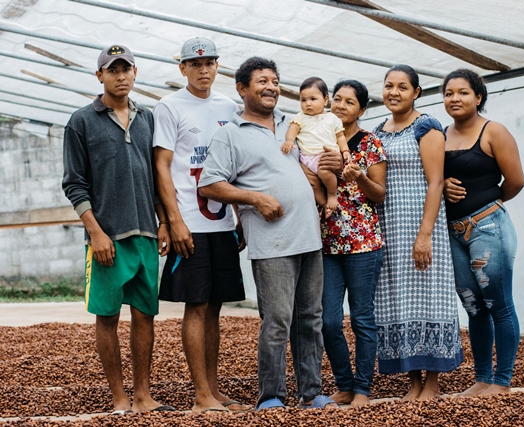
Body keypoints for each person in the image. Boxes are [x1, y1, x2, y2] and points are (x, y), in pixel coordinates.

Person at [197, 57, 342, 410]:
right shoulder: (231, 134)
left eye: (275, 81)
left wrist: (334, 165)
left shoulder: (295, 123)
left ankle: (311, 392)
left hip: (309, 235)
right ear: (242, 88)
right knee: (277, 321)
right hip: (272, 243)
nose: (271, 87)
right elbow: (210, 183)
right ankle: (272, 395)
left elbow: (318, 160)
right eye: (262, 81)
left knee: (311, 319)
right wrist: (255, 198)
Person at [61, 44, 173, 414]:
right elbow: (74, 183)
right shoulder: (81, 121)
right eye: (113, 70)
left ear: (135, 73)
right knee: (107, 317)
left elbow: (156, 177)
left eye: (126, 69)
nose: (120, 75)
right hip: (107, 238)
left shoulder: (149, 119)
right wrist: (95, 231)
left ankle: (143, 395)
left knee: (145, 315)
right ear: (100, 76)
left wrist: (164, 223)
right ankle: (119, 398)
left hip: (146, 233)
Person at [152, 37, 251, 413]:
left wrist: (240, 215)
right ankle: (200, 395)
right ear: (183, 68)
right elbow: (161, 166)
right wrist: (173, 220)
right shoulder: (169, 106)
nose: (204, 69)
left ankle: (213, 388)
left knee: (215, 307)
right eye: (196, 64)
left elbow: (237, 166)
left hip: (222, 221)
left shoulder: (229, 106)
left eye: (210, 62)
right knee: (195, 305)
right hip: (189, 223)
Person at [373, 64, 463, 400]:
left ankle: (434, 381)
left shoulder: (426, 126)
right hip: (388, 228)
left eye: (401, 87)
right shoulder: (377, 131)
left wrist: (425, 234)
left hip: (422, 225)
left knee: (430, 296)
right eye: (388, 86)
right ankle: (412, 380)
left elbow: (436, 182)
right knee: (396, 301)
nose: (393, 92)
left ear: (416, 93)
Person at [441, 68, 524, 396]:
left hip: (488, 227)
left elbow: (515, 180)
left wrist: (488, 202)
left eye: (463, 92)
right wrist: (444, 185)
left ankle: (501, 382)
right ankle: (481, 379)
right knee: (473, 307)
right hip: (452, 233)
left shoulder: (494, 132)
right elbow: (432, 180)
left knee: (498, 304)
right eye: (449, 93)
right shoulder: (440, 135)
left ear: (478, 97)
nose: (455, 98)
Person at [320, 80, 386, 407]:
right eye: (337, 99)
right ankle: (344, 384)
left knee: (361, 318)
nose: (341, 105)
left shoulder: (369, 143)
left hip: (363, 243)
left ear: (361, 109)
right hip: (326, 244)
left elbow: (379, 194)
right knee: (328, 320)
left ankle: (362, 388)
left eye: (350, 102)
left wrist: (359, 176)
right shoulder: (318, 137)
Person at [281, 77, 350, 217]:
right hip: (306, 158)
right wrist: (289, 140)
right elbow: (293, 130)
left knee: (326, 174)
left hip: (324, 157)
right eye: (303, 100)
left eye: (313, 99)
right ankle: (324, 205)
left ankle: (331, 195)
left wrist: (345, 151)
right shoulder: (300, 117)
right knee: (312, 184)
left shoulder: (332, 119)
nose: (308, 104)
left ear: (325, 100)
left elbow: (340, 137)